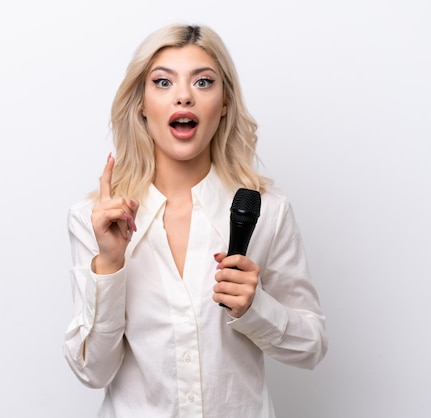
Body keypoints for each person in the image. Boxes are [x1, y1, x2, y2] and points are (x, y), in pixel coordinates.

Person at [63, 23, 327, 417]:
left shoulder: (267, 211)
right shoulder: (95, 220)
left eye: (203, 82)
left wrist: (254, 308)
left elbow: (312, 347)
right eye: (163, 82)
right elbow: (92, 371)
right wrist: (110, 265)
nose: (184, 96)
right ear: (141, 102)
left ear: (223, 104)